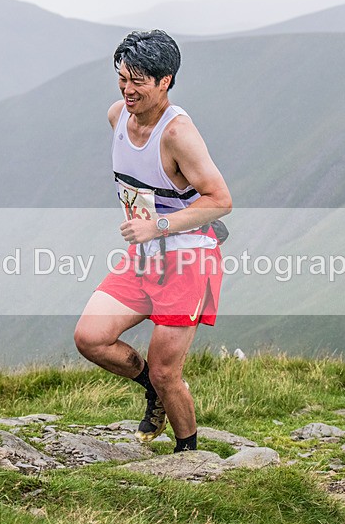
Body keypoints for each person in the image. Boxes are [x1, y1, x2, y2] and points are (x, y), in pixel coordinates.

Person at [74, 30, 232, 453]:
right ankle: (150, 389)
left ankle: (189, 454)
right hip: (143, 258)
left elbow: (221, 201)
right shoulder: (117, 117)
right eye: (122, 78)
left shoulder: (178, 134)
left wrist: (158, 227)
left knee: (168, 371)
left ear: (165, 81)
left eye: (138, 81)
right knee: (90, 338)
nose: (127, 89)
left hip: (187, 259)